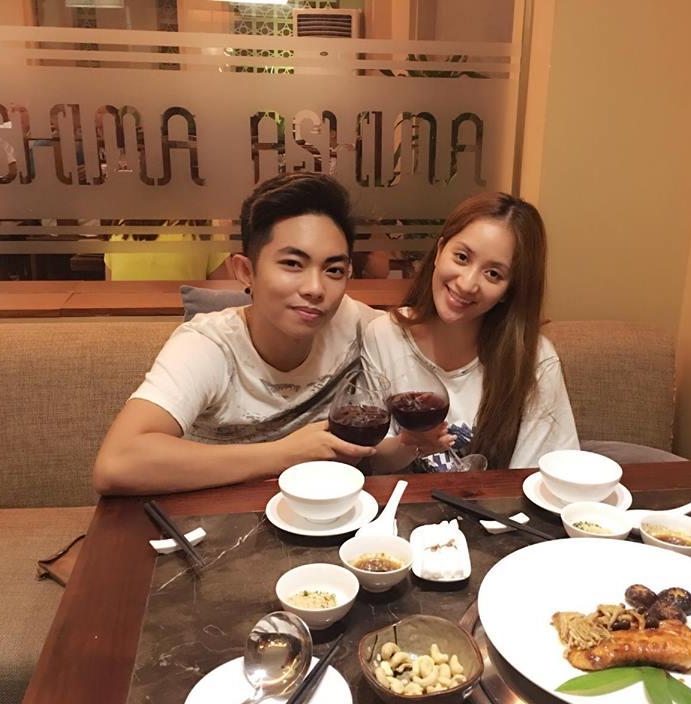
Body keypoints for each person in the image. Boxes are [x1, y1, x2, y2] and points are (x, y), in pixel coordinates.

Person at [92, 172, 381, 495]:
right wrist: (284, 454)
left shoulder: (354, 323)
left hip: (330, 513)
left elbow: (415, 329)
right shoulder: (209, 345)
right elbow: (116, 464)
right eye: (292, 264)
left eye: (334, 270)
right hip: (216, 518)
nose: (315, 288)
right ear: (246, 272)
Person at [365, 192, 579, 473]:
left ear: (509, 290)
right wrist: (411, 443)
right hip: (403, 501)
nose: (467, 284)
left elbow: (537, 475)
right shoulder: (385, 335)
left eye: (493, 274)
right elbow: (372, 461)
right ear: (439, 251)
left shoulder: (533, 359)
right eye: (462, 257)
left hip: (499, 502)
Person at [103, 220, 234, 281]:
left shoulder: (118, 228)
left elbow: (110, 289)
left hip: (123, 324)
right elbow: (226, 297)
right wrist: (224, 233)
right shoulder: (202, 227)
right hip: (185, 324)